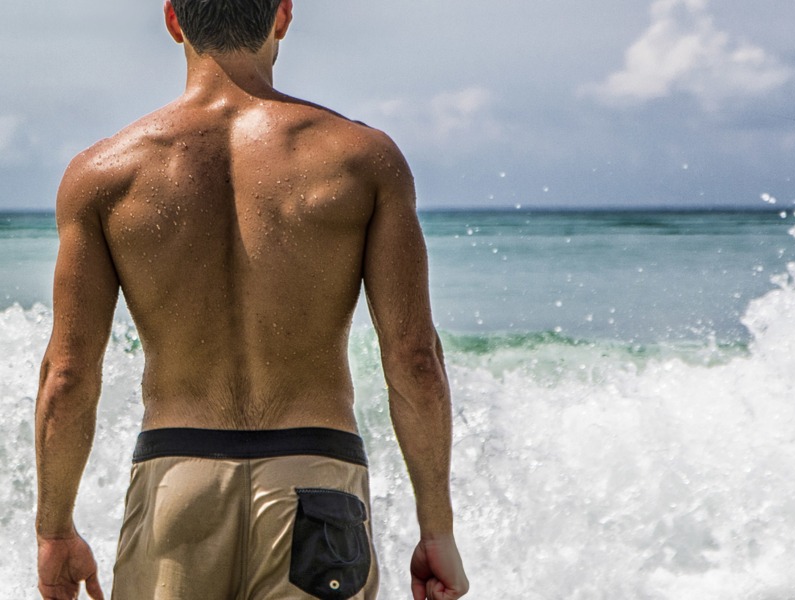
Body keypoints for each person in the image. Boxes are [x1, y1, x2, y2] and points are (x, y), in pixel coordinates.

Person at [33, 1, 469, 598]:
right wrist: (436, 530)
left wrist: (54, 531)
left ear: (173, 20)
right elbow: (416, 361)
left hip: (176, 490)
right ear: (283, 15)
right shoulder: (362, 160)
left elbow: (69, 373)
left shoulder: (105, 174)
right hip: (318, 489)